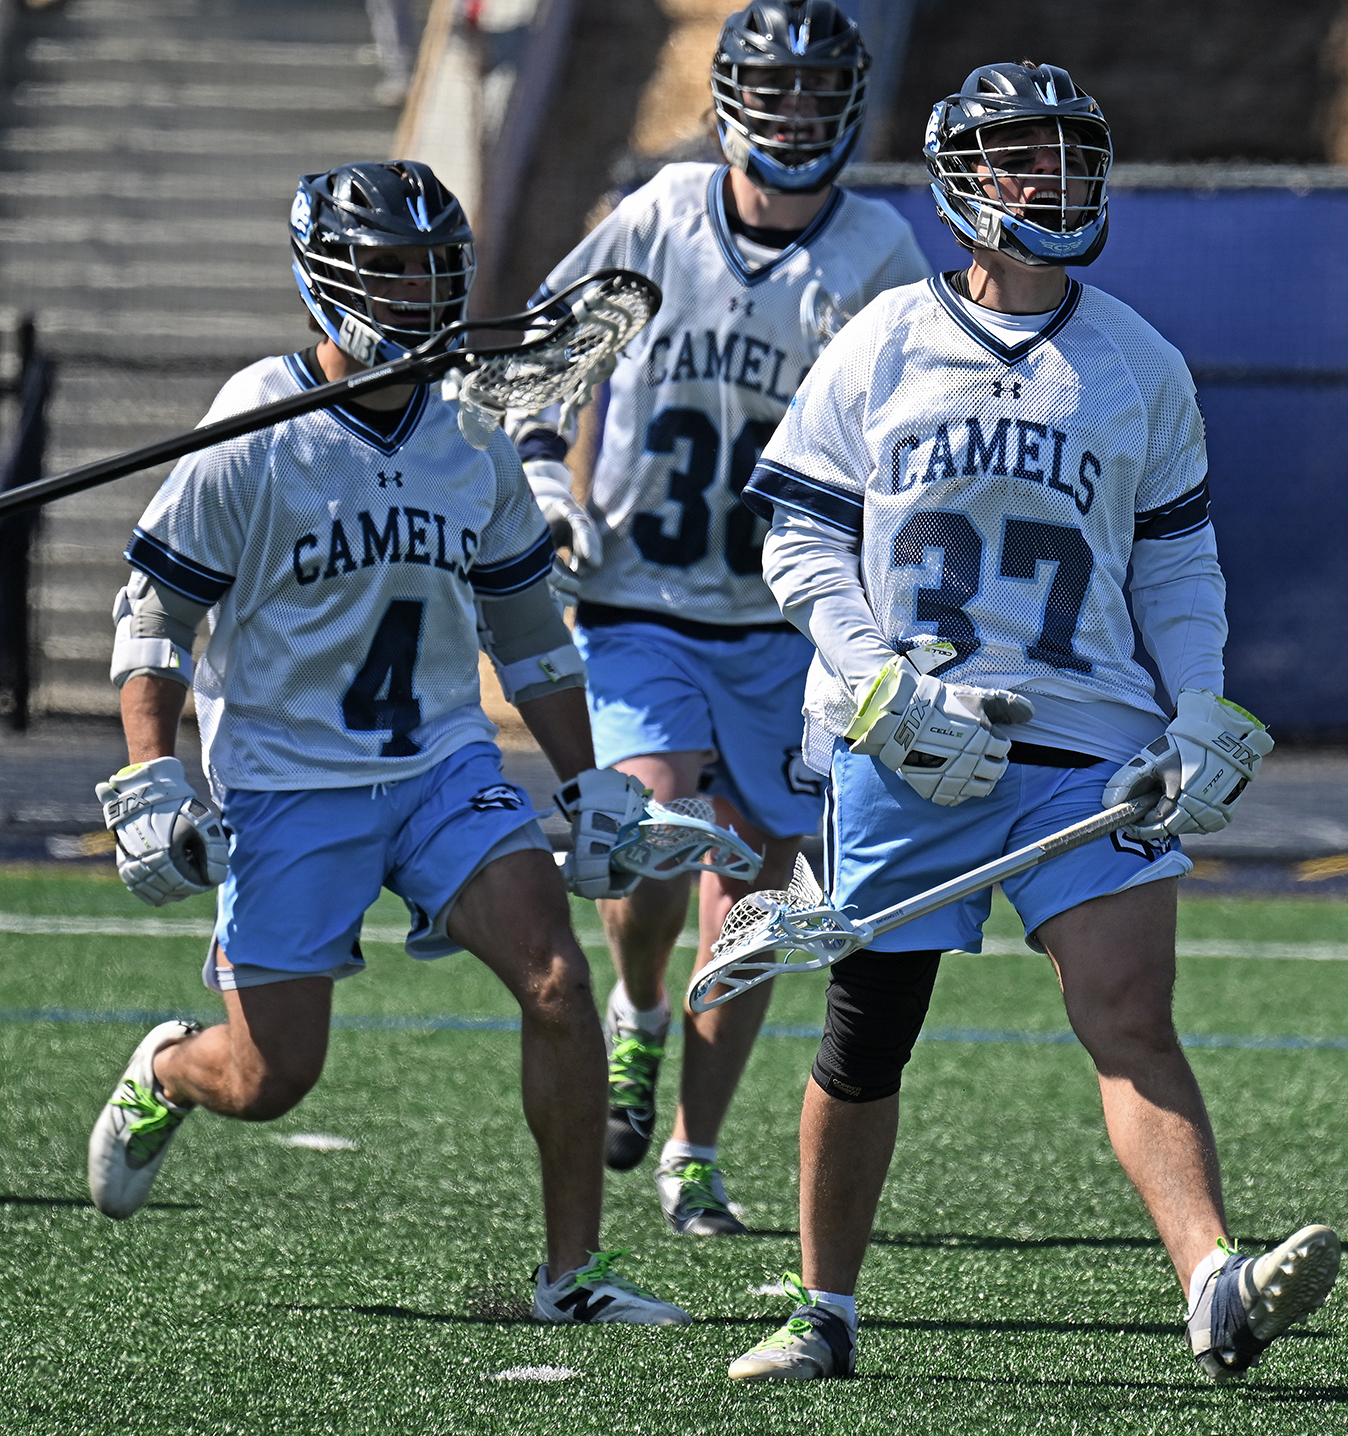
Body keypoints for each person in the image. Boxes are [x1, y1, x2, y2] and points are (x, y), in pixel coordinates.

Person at [722, 60, 1340, 1383]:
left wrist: (1197, 706)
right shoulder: (884, 337)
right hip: (912, 741)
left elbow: (1174, 566)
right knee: (866, 1033)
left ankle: (1212, 1284)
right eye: (1017, 157)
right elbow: (799, 538)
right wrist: (878, 681)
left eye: (1066, 155)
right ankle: (821, 1309)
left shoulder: (1138, 361)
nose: (1049, 180)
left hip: (1090, 741)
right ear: (961, 179)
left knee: (1130, 1013)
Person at [84, 160, 689, 1326]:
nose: (419, 295)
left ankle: (572, 1277)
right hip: (287, 783)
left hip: (439, 769)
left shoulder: (469, 432)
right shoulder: (254, 429)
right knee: (270, 1078)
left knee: (561, 982)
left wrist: (588, 781)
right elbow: (157, 615)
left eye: (436, 270)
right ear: (324, 278)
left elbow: (525, 631)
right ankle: (167, 1067)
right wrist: (151, 771)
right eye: (391, 271)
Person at [516, 0, 932, 1237]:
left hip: (791, 621)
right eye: (778, 89)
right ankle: (639, 1005)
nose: (797, 114)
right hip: (641, 592)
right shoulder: (657, 216)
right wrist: (549, 480)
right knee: (648, 826)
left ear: (848, 107)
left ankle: (694, 1151)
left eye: (819, 93)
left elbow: (917, 441)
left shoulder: (878, 253)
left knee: (755, 893)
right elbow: (546, 352)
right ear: (732, 97)